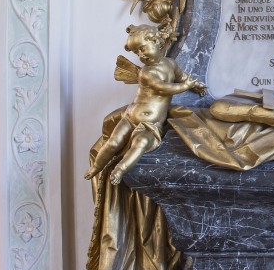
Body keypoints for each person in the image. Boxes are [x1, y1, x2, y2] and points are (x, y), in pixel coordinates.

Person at [84, 23, 211, 185]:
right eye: (136, 52)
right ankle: (96, 166)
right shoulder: (146, 72)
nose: (140, 55)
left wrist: (195, 85)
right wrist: (185, 86)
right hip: (130, 117)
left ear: (157, 42)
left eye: (142, 48)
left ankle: (120, 169)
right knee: (113, 143)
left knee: (141, 143)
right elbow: (163, 88)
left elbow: (182, 77)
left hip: (151, 124)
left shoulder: (171, 64)